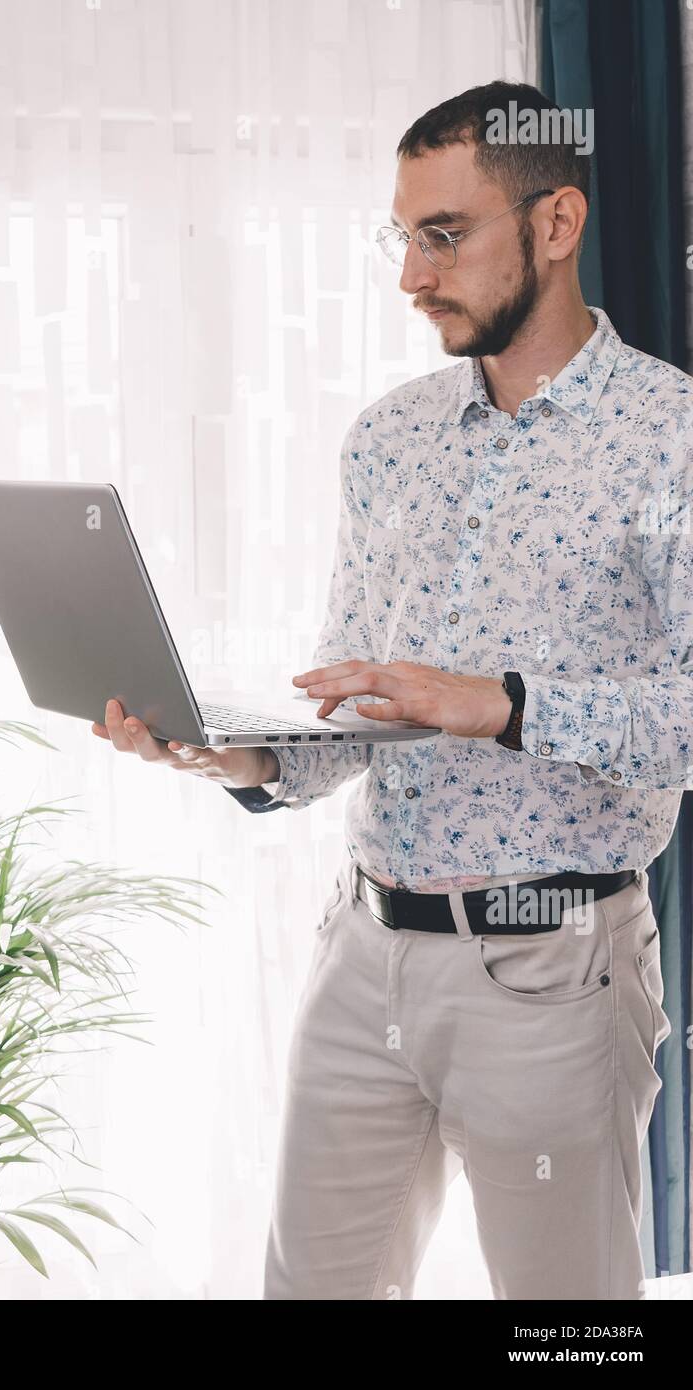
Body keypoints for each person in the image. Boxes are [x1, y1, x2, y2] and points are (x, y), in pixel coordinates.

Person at [91, 80, 687, 1300]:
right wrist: (233, 756)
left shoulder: (670, 435)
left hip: (551, 967)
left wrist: (501, 700)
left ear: (556, 222)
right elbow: (358, 702)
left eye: (443, 234)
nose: (410, 275)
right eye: (400, 236)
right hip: (363, 953)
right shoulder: (388, 438)